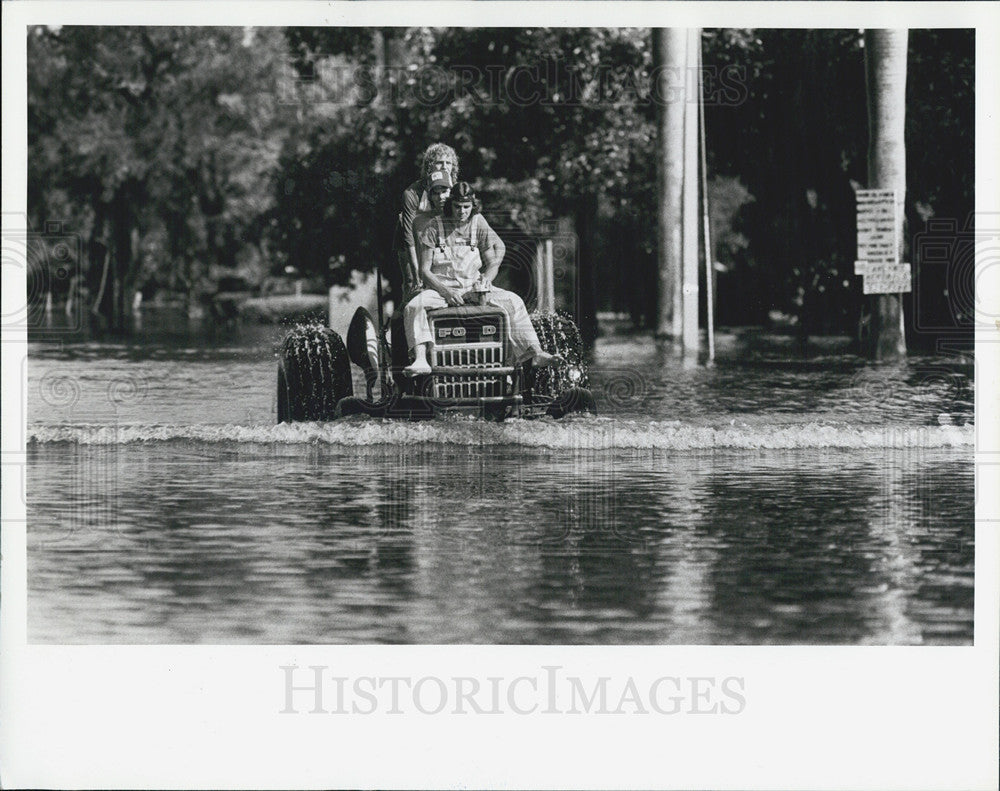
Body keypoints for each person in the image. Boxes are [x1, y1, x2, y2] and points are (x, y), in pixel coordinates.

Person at [402, 176, 562, 376]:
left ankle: (535, 353)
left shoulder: (478, 222)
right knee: (413, 306)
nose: (462, 212)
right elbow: (424, 271)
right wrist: (446, 291)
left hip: (473, 286)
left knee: (515, 301)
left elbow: (493, 261)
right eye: (458, 206)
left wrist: (487, 279)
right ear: (451, 204)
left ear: (472, 205)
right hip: (442, 289)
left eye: (466, 207)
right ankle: (421, 359)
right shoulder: (434, 227)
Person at [392, 143, 460, 303]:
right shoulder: (411, 193)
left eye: (448, 163)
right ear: (429, 165)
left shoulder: (455, 188)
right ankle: (405, 318)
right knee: (413, 285)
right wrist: (416, 273)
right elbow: (408, 233)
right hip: (411, 241)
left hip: (439, 238)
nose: (444, 166)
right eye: (439, 162)